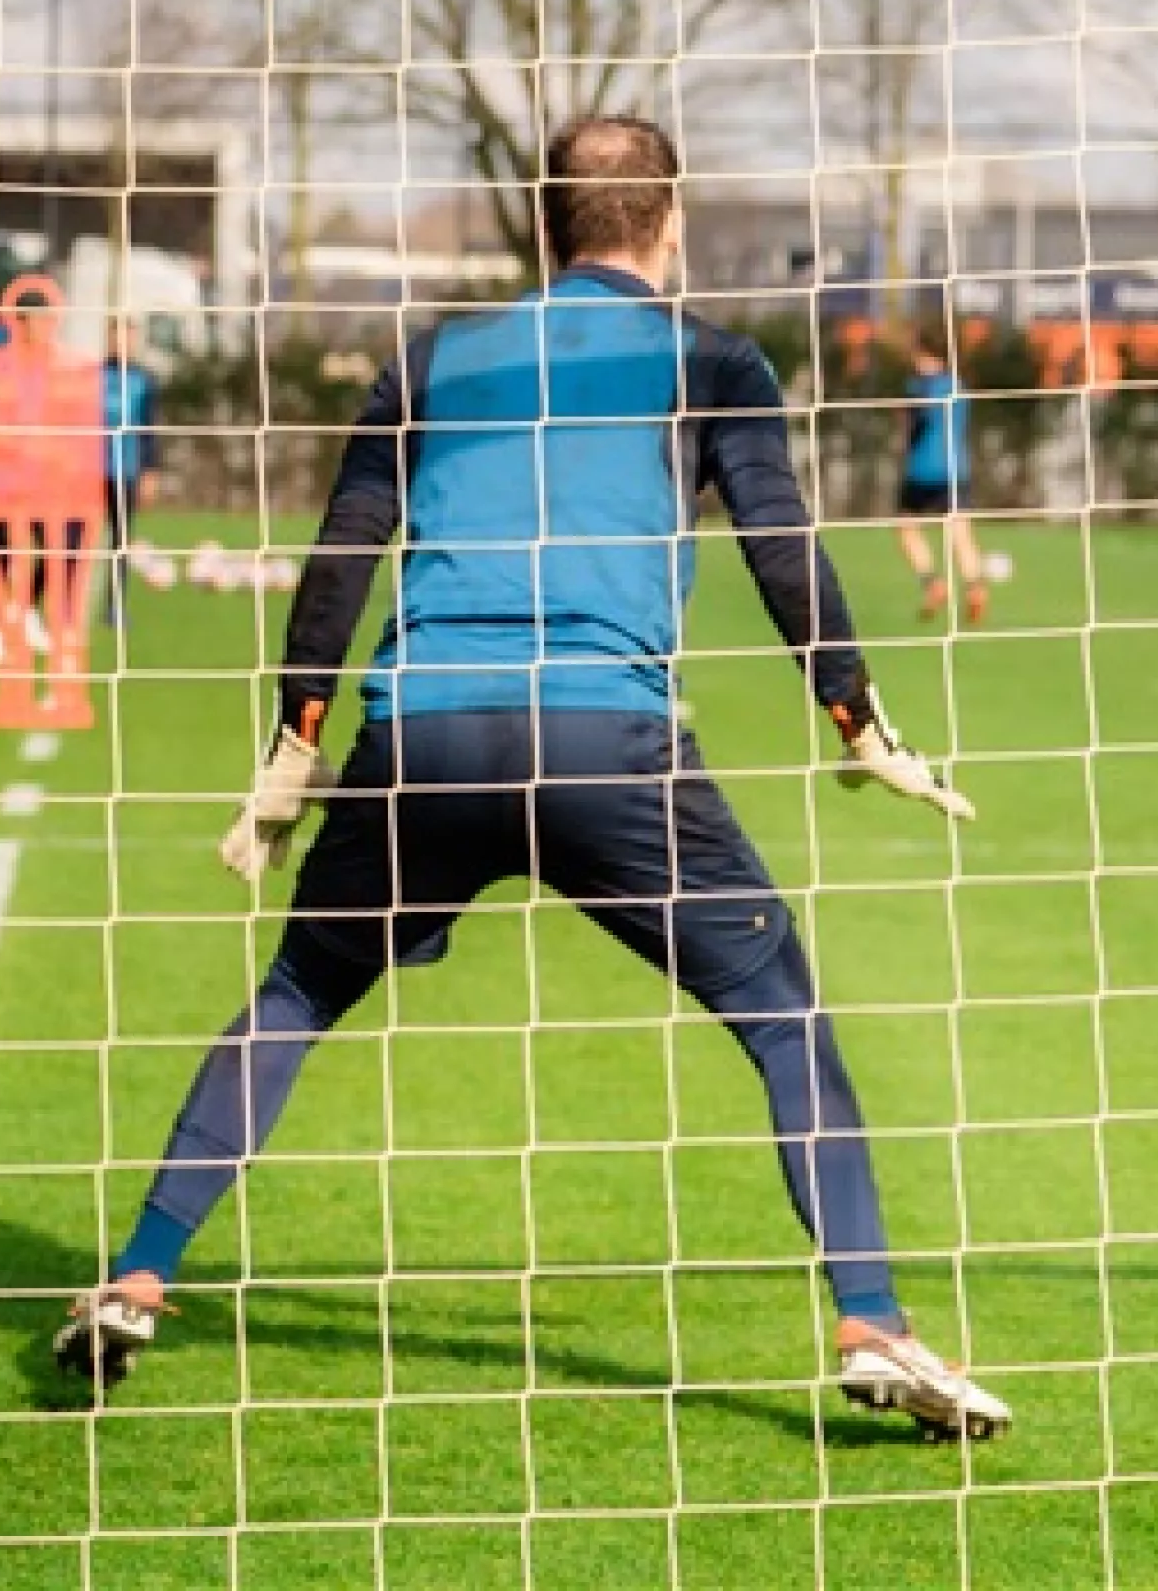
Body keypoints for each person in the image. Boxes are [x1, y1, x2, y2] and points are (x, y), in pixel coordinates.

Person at [54, 116, 1013, 1442]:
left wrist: (292, 745)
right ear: (666, 221)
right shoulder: (711, 358)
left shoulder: (435, 356)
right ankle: (870, 1320)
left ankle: (139, 1272)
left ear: (541, 221)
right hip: (605, 741)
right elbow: (782, 546)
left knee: (298, 992)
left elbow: (343, 551)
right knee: (783, 1017)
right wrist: (853, 715)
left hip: (418, 738)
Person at [891, 331, 988, 624]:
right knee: (960, 532)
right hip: (957, 468)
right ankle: (975, 587)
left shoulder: (918, 387)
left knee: (906, 525)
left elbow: (913, 422)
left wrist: (903, 417)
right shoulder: (959, 387)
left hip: (922, 468)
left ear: (922, 354)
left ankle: (932, 582)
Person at [100, 320, 160, 628]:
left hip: (125, 470)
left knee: (120, 540)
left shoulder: (144, 379)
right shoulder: (91, 375)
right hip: (88, 472)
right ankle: (68, 605)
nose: (121, 341)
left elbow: (150, 428)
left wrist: (150, 471)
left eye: (128, 335)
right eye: (116, 335)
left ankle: (115, 606)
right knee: (77, 541)